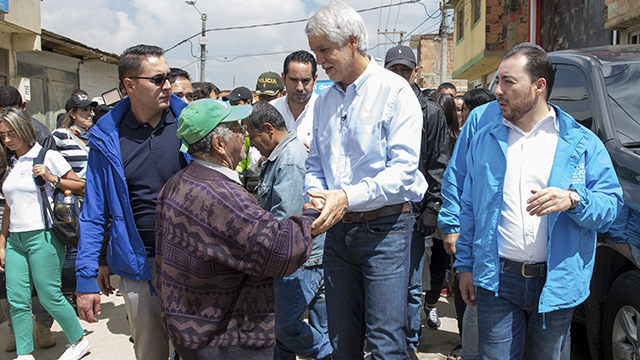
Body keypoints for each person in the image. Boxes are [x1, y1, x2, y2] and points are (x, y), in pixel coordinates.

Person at [456, 43, 623, 359]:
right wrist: (465, 265)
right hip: (497, 280)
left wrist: (573, 199)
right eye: (497, 81)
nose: (498, 91)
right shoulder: (485, 138)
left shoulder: (580, 143)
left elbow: (610, 208)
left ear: (538, 87)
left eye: (508, 81)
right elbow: (470, 207)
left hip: (556, 282)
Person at [304, 3, 427, 359]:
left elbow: (403, 171)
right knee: (341, 340)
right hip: (338, 232)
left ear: (352, 42)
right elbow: (315, 163)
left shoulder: (395, 92)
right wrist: (318, 195)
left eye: (325, 49)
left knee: (386, 340)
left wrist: (346, 196)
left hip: (385, 230)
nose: (320, 61)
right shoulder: (324, 101)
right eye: (316, 52)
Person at [155, 99, 319, 359]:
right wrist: (312, 215)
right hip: (225, 341)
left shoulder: (176, 183)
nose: (244, 133)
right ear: (219, 144)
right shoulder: (222, 196)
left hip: (190, 333)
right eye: (236, 128)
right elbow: (279, 249)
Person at [75, 44, 189, 360]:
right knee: (150, 352)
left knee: (198, 351)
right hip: (140, 268)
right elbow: (94, 213)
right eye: (157, 79)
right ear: (130, 85)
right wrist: (87, 276)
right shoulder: (106, 138)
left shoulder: (189, 125)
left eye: (168, 77)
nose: (167, 85)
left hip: (193, 263)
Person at [244, 101, 332, 360]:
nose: (251, 144)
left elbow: (287, 222)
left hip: (299, 262)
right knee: (286, 336)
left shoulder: (290, 160)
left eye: (253, 137)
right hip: (297, 259)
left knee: (285, 328)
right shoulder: (279, 156)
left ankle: (334, 355)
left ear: (269, 129)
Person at [0, 107, 89, 360]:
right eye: (3, 135)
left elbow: (81, 186)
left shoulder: (46, 156)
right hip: (16, 239)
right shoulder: (10, 163)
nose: (8, 140)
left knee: (49, 296)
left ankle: (78, 340)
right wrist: (2, 243)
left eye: (12, 133)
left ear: (26, 130)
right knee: (16, 300)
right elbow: (9, 206)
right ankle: (24, 353)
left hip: (44, 236)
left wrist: (52, 178)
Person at [383, 44, 451, 359]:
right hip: (378, 212)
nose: (399, 75)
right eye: (393, 69)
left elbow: (439, 164)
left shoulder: (432, 112)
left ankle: (409, 344)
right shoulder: (375, 107)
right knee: (383, 286)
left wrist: (432, 208)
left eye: (404, 70)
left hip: (414, 213)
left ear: (415, 73)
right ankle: (385, 339)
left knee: (410, 285)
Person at [0, 85, 58, 353]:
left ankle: (42, 326)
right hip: (7, 205)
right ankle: (20, 332)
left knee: (42, 283)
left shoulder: (39, 134)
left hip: (33, 215)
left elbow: (52, 172)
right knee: (13, 283)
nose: (7, 139)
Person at [270, 50, 318, 146]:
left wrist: (317, 157)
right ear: (283, 79)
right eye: (293, 80)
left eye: (305, 81)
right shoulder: (271, 109)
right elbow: (255, 155)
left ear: (315, 80)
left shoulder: (328, 110)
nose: (299, 87)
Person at [52, 94, 98, 178]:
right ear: (73, 114)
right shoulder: (61, 135)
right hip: (71, 189)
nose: (90, 113)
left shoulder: (95, 136)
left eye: (90, 109)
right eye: (85, 110)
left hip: (95, 189)